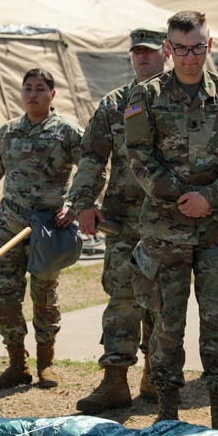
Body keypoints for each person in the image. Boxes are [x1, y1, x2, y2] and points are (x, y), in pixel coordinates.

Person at [124, 10, 218, 430]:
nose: (188, 57)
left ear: (209, 46)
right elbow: (138, 156)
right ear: (169, 49)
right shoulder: (145, 97)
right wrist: (179, 196)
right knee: (166, 325)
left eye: (196, 47)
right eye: (180, 49)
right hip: (167, 233)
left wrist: (210, 197)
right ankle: (166, 411)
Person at [70, 28, 169, 414]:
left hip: (168, 221)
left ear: (167, 54)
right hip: (124, 221)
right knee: (123, 300)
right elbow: (92, 157)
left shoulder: (179, 100)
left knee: (163, 303)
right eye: (136, 53)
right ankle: (115, 379)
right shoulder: (115, 103)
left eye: (149, 52)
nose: (142, 58)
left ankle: (156, 374)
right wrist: (82, 202)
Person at [0, 69, 83, 390]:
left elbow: (92, 170)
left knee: (45, 296)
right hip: (9, 227)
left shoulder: (67, 132)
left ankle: (46, 364)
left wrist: (76, 205)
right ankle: (16, 364)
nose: (32, 95)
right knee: (5, 295)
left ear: (53, 95)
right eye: (27, 89)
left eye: (40, 89)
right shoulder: (8, 132)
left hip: (48, 229)